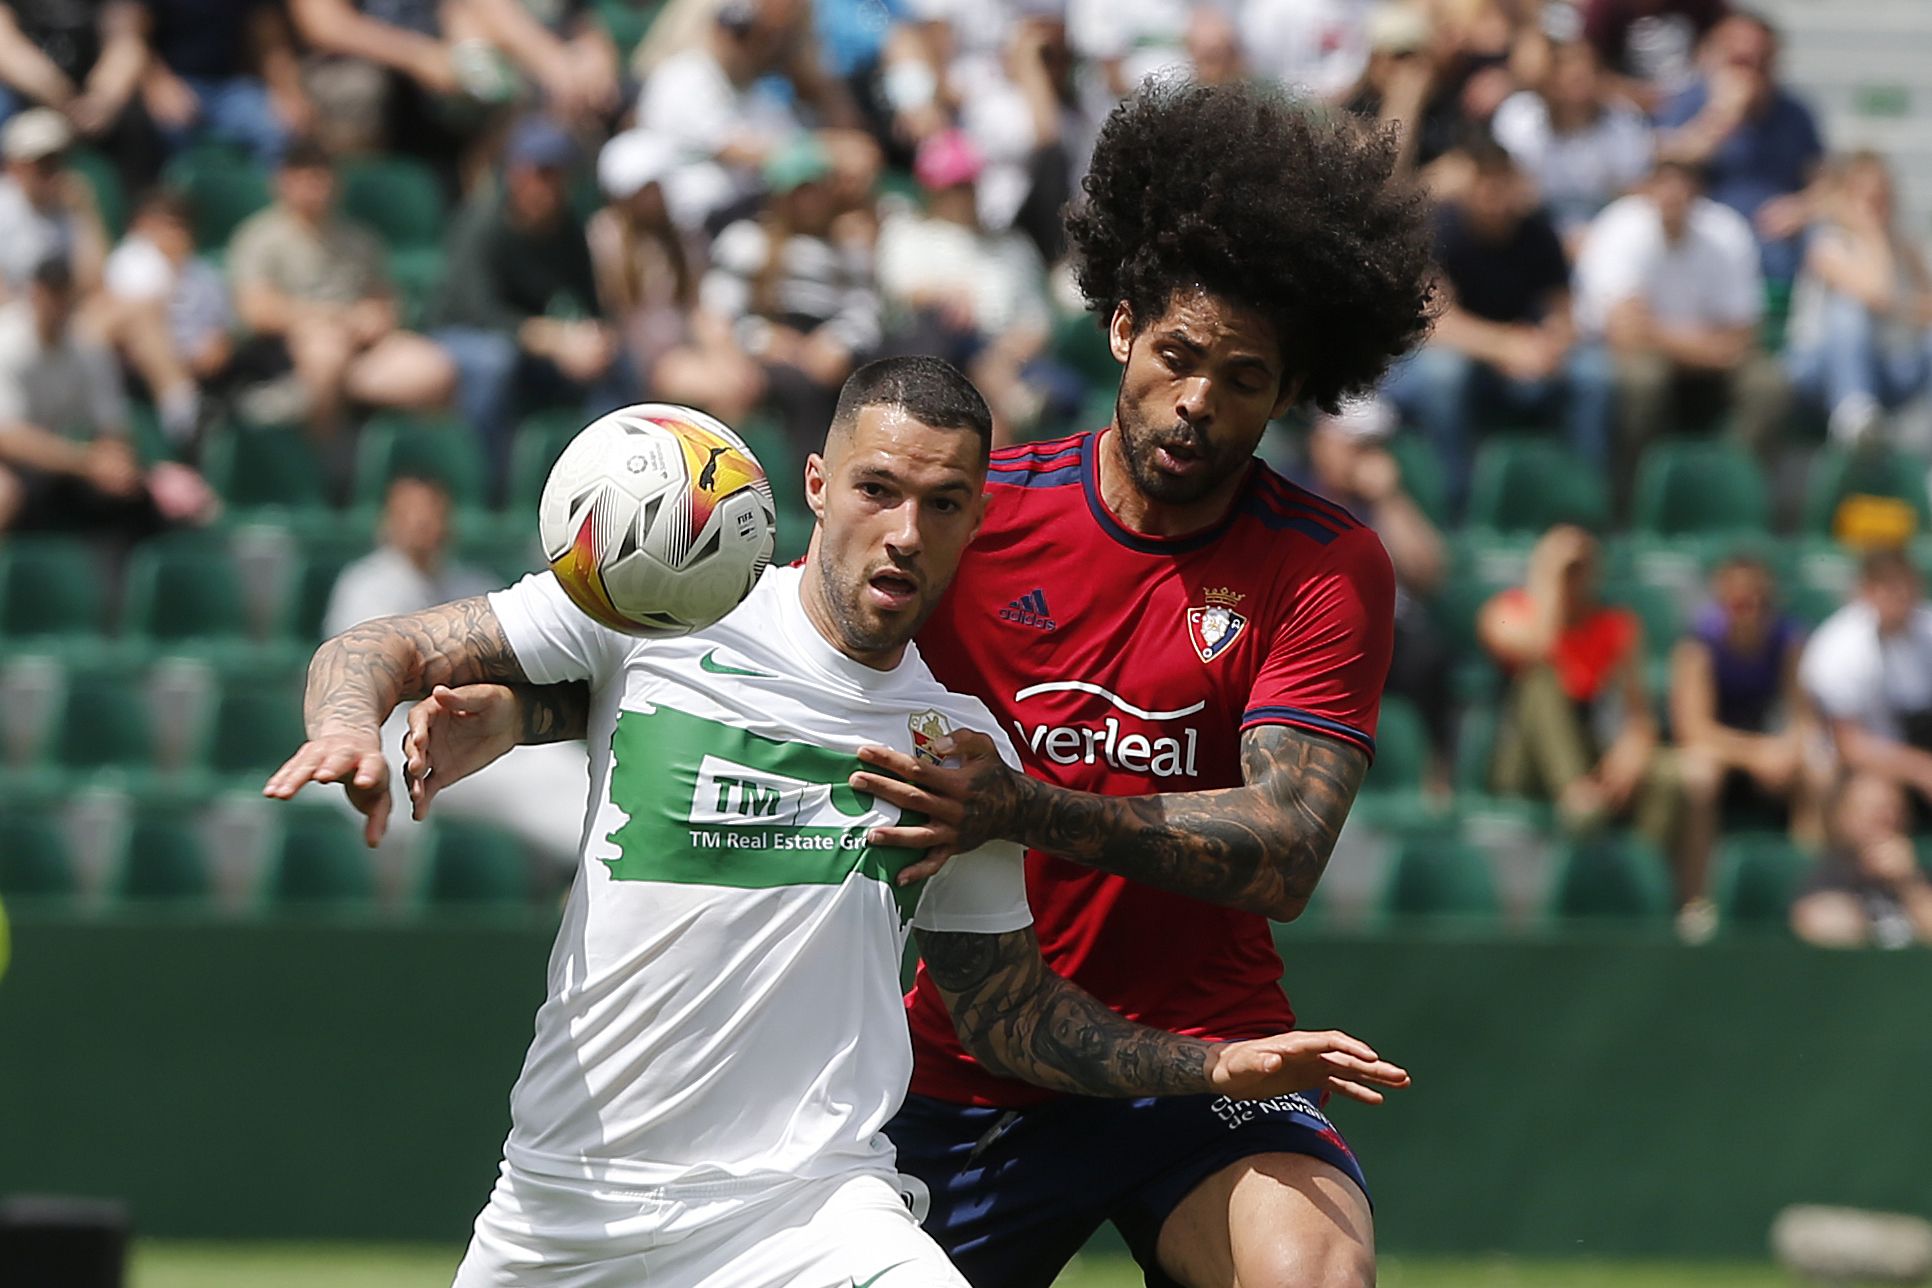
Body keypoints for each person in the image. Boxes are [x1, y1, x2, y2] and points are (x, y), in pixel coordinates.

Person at [406, 80, 1437, 1288]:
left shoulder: (1324, 565)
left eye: (1246, 378)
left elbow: (1286, 845)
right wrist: (522, 713)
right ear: (1119, 327)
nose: (1201, 401)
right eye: (1178, 356)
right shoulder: (964, 516)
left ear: (1292, 387)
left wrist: (1023, 807)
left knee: (1315, 1275)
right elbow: (751, 665)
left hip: (1202, 1049)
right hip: (969, 1053)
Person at [263, 358, 1410, 1288]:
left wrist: (1212, 1067)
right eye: (879, 490)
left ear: (978, 521)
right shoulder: (666, 604)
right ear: (815, 484)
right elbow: (384, 644)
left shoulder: (961, 750)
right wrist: (353, 721)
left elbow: (1012, 1015)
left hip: (809, 1217)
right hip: (568, 1204)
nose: (907, 531)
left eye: (946, 503)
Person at [322, 473, 586, 866]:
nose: (423, 523)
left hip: (472, 725)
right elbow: (368, 679)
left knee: (560, 760)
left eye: (432, 512)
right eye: (410, 513)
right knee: (528, 780)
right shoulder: (366, 584)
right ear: (388, 520)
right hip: (397, 740)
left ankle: (602, 862)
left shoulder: (472, 583)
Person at [1478, 524, 1718, 926]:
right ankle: (1576, 796)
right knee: (1542, 679)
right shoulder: (1506, 612)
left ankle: (1640, 891)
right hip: (1526, 765)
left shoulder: (1615, 626)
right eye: (1566, 566)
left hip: (1593, 753)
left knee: (1677, 775)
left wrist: (1633, 750)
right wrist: (1550, 578)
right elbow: (1539, 648)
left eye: (1581, 565)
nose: (1575, 575)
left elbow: (1639, 715)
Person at [1383, 139, 1605, 511]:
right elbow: (1436, 323)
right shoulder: (1439, 230)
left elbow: (1562, 310)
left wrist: (1549, 344)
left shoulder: (1537, 232)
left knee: (1595, 374)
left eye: (1503, 183)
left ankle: (1587, 499)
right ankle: (1459, 503)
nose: (1495, 196)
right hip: (1433, 361)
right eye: (1485, 184)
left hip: (1522, 354)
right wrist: (1505, 346)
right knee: (1444, 373)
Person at [1572, 158, 1787, 497]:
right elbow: (1624, 332)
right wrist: (1702, 347)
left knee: (1768, 385)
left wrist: (1661, 335)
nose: (1672, 196)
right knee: (1643, 382)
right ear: (1647, 189)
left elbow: (1744, 335)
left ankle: (1722, 490)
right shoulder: (1619, 228)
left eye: (1682, 185)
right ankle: (1641, 497)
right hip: (1650, 356)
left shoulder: (1726, 232)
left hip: (1704, 360)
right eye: (1663, 185)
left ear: (1698, 191)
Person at [227, 138, 457, 444]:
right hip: (286, 355)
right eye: (302, 177)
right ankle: (325, 469)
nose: (312, 187)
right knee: (325, 354)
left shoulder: (359, 238)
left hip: (359, 350)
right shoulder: (260, 237)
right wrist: (320, 318)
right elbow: (255, 311)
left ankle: (423, 466)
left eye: (320, 177)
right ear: (282, 181)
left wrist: (374, 318)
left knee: (434, 368)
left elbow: (385, 300)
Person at [432, 115, 623, 478]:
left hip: (530, 342)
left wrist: (594, 336)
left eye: (559, 174)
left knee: (614, 360)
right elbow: (477, 312)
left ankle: (608, 474)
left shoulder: (567, 226)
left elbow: (587, 301)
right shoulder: (483, 221)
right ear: (517, 173)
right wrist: (553, 339)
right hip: (456, 335)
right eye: (541, 172)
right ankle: (488, 484)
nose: (550, 185)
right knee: (494, 363)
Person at [0, 254, 214, 538]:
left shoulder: (85, 345)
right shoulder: (8, 341)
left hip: (55, 462)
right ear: (35, 293)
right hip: (18, 462)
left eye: (63, 293)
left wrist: (115, 462)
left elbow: (113, 425)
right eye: (50, 292)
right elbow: (8, 437)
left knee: (129, 492)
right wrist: (87, 461)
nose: (56, 303)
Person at [875, 128, 1065, 443]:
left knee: (1049, 388)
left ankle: (1005, 396)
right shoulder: (907, 233)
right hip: (942, 351)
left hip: (1013, 355)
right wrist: (945, 296)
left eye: (966, 184)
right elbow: (899, 293)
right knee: (956, 342)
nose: (962, 194)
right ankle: (1009, 401)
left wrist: (1007, 352)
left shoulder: (1012, 245)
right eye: (952, 186)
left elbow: (1039, 320)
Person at [1302, 396, 1453, 785]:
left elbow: (1430, 574)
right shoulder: (1294, 489)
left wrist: (1389, 498)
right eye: (1356, 445)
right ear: (1323, 442)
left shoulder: (1386, 502)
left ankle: (1438, 780)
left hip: (1385, 632)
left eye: (1373, 446)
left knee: (1429, 656)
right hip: (1316, 627)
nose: (1367, 457)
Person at [701, 135, 879, 457]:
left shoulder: (848, 249)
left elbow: (864, 311)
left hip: (831, 348)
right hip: (769, 349)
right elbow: (719, 311)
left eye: (815, 191)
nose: (809, 201)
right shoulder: (746, 242)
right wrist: (764, 340)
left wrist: (836, 344)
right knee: (797, 388)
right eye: (800, 193)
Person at [588, 130, 764, 425]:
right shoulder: (605, 238)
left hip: (683, 350)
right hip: (636, 363)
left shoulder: (683, 238)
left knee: (744, 382)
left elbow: (698, 308)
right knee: (724, 391)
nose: (655, 195)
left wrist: (728, 355)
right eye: (645, 188)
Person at [1655, 9, 1822, 285]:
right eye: (1741, 61)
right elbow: (1666, 163)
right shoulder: (1689, 102)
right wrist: (1720, 118)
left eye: (1761, 62)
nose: (1751, 72)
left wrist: (1800, 208)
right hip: (1703, 229)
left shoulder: (1794, 113)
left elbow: (1823, 181)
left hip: (1774, 234)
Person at [1669, 552, 1820, 844]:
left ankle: (1808, 877)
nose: (1750, 611)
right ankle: (1696, 886)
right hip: (1724, 749)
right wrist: (1757, 755)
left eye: (1760, 602)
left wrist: (1789, 749)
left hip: (1770, 747)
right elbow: (1694, 730)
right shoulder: (1699, 645)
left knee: (1818, 772)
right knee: (1700, 776)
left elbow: (1805, 718)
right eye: (1740, 603)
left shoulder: (1789, 641)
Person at [1784, 151, 1932, 448]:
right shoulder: (1828, 243)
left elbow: (1926, 309)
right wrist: (1870, 231)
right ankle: (1855, 419)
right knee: (1848, 309)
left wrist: (1907, 299)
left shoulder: (1905, 247)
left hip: (1885, 367)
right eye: (1867, 197)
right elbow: (1877, 294)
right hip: (1816, 368)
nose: (1876, 206)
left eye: (1882, 197)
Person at [1798, 548, 1932, 825]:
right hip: (1856, 765)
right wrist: (1921, 770)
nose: (1900, 594)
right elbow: (1850, 745)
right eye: (1888, 586)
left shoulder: (1927, 629)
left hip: (1916, 749)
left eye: (1906, 584)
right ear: (1866, 591)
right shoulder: (1839, 648)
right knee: (1878, 801)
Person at [1491, 39, 1654, 248]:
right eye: (1570, 80)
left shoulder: (1624, 122)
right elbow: (1505, 187)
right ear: (1549, 80)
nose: (1578, 89)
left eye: (1585, 78)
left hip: (1607, 235)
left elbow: (1635, 196)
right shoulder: (1518, 118)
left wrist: (1595, 237)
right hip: (1531, 233)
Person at [137, 0, 311, 164]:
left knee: (276, 129)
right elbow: (136, 36)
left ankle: (271, 195)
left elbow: (269, 40)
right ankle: (172, 194)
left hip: (232, 88)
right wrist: (157, 84)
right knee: (171, 129)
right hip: (178, 83)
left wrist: (287, 93)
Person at [1790, 774, 1932, 950]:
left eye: (1894, 809)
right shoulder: (1829, 873)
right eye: (1870, 810)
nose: (1885, 818)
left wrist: (1909, 884)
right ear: (1840, 819)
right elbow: (1819, 923)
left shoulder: (1918, 874)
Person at [0, 108, 108, 294]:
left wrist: (86, 212)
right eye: (41, 163)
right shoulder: (5, 204)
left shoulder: (70, 208)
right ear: (16, 166)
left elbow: (95, 283)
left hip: (61, 314)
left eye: (56, 161)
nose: (52, 172)